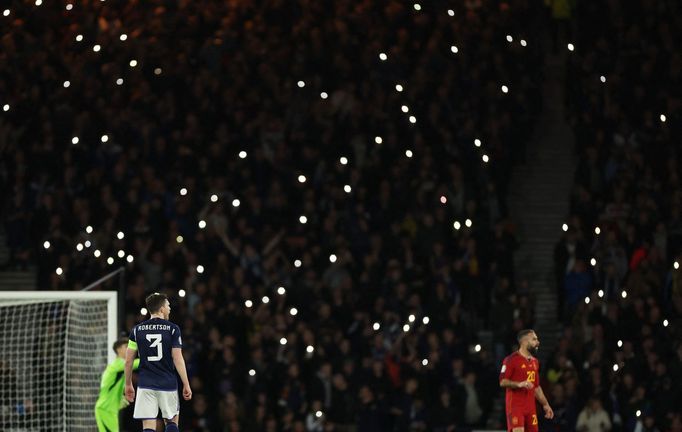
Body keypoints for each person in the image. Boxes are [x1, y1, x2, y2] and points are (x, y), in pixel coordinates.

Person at [125, 293, 192, 432]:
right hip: (167, 383)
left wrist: (128, 384)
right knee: (172, 422)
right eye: (168, 306)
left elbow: (128, 361)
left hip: (145, 384)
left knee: (148, 427)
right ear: (161, 309)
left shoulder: (136, 331)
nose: (170, 309)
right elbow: (178, 358)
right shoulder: (173, 329)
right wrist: (186, 383)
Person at [499, 329, 554, 432]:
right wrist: (519, 384)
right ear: (524, 342)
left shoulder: (535, 362)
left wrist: (545, 404)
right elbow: (502, 382)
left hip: (530, 408)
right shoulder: (510, 360)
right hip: (516, 407)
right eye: (534, 339)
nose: (538, 342)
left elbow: (536, 387)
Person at [95, 338, 140, 432]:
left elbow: (109, 389)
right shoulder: (118, 364)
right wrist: (151, 358)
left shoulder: (118, 368)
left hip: (107, 408)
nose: (129, 349)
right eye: (126, 346)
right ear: (118, 350)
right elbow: (134, 364)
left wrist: (119, 400)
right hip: (106, 409)